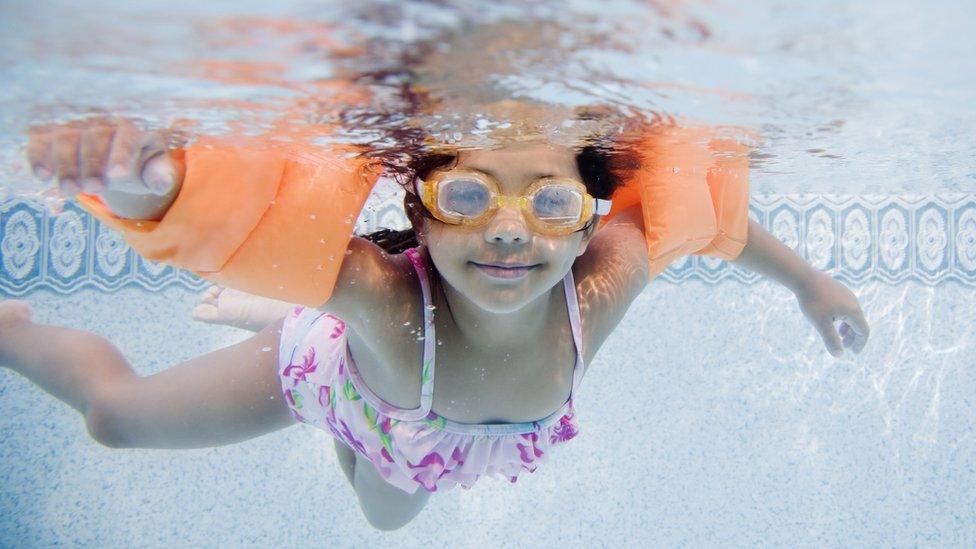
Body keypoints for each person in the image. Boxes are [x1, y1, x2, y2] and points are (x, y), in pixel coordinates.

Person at [3, 116, 869, 530]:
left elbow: (701, 225)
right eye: (467, 195)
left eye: (550, 200)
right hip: (333, 370)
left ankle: (286, 324)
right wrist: (137, 182)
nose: (506, 228)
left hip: (408, 430)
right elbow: (237, 231)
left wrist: (811, 284)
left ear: (582, 227)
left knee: (386, 514)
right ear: (420, 219)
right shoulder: (388, 297)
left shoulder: (601, 286)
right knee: (114, 419)